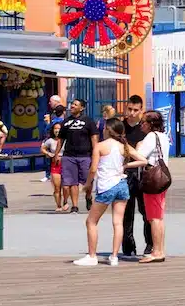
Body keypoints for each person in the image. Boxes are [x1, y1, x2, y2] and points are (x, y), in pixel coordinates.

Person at [73, 118, 147, 267]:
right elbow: (143, 160)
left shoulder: (100, 146)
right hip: (121, 185)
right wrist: (125, 166)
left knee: (91, 221)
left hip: (107, 186)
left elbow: (93, 169)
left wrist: (88, 184)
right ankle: (114, 256)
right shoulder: (124, 146)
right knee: (118, 222)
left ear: (107, 129)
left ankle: (92, 255)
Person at [135, 110, 172, 264]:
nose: (141, 125)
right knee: (158, 216)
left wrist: (135, 147)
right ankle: (160, 249)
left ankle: (156, 251)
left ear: (150, 124)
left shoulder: (150, 137)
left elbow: (140, 155)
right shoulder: (163, 136)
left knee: (154, 217)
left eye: (143, 122)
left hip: (152, 178)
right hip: (162, 177)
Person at [55, 98, 98, 214]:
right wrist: (57, 154)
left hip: (85, 156)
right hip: (69, 156)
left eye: (75, 104)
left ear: (82, 108)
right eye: (72, 104)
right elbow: (60, 139)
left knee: (87, 181)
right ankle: (75, 206)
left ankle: (88, 197)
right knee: (72, 182)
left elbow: (94, 138)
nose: (72, 106)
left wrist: (95, 153)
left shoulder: (88, 121)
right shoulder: (66, 122)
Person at [121, 95, 151, 258]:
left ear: (141, 110)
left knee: (146, 211)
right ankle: (128, 246)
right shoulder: (121, 127)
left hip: (144, 173)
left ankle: (150, 244)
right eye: (129, 109)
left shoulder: (145, 129)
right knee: (126, 212)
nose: (131, 113)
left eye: (135, 110)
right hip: (125, 172)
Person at [41, 122, 66, 212]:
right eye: (55, 128)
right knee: (57, 187)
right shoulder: (50, 141)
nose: (57, 130)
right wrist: (49, 153)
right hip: (55, 165)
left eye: (59, 128)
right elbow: (43, 149)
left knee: (66, 187)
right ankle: (58, 205)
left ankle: (65, 203)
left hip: (66, 163)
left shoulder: (66, 140)